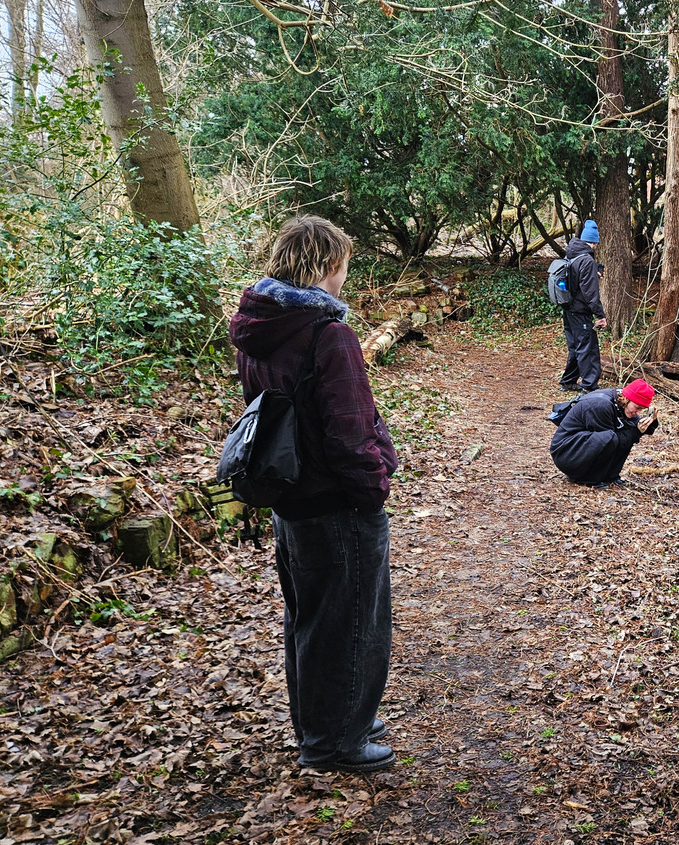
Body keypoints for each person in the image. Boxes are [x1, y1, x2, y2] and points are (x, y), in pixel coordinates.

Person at [228, 215, 400, 773]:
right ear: (328, 265)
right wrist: (372, 491)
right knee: (351, 621)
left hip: (290, 495)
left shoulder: (260, 327)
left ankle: (332, 720)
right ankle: (335, 744)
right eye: (344, 265)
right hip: (335, 500)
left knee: (311, 616)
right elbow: (347, 429)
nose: (345, 277)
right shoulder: (328, 334)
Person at [550, 379, 659, 487]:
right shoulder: (601, 405)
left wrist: (650, 422)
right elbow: (613, 441)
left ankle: (610, 476)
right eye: (637, 408)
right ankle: (587, 478)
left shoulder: (621, 403)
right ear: (627, 399)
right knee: (610, 438)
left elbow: (630, 429)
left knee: (623, 435)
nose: (638, 413)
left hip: (578, 448)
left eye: (642, 409)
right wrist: (636, 431)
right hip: (566, 454)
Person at [559, 219, 606, 393]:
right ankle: (589, 385)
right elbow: (590, 293)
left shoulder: (571, 255)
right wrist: (600, 315)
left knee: (575, 347)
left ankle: (568, 381)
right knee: (588, 348)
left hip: (568, 310)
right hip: (580, 312)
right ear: (594, 241)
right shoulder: (586, 260)